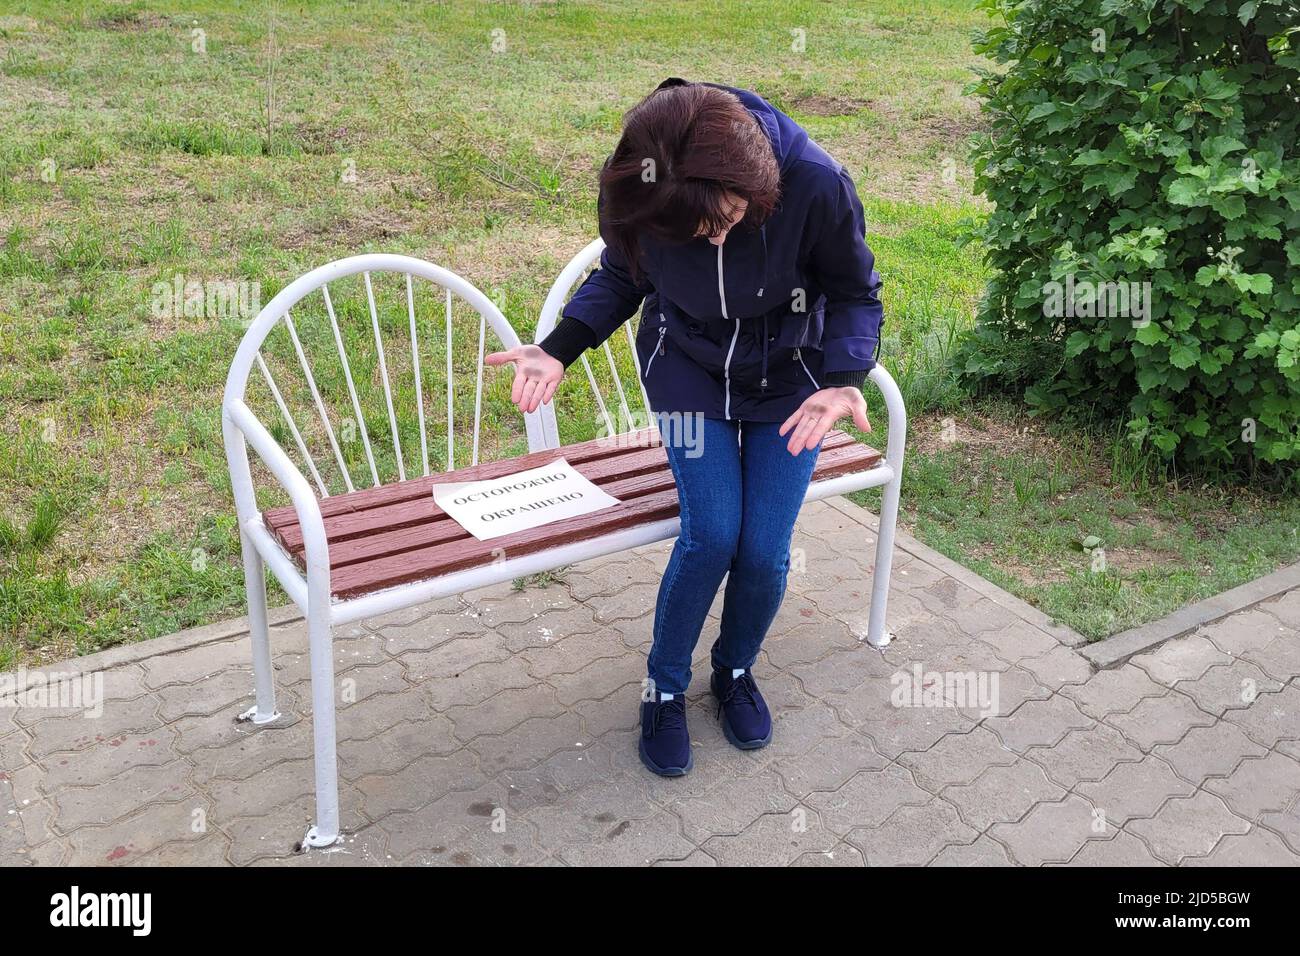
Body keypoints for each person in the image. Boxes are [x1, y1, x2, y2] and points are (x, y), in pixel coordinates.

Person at [486, 77, 883, 776]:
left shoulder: (816, 182)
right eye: (702, 232)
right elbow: (621, 275)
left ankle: (733, 671)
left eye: (730, 219)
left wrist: (843, 379)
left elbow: (854, 292)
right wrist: (558, 348)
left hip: (790, 380)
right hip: (687, 370)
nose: (718, 236)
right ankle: (663, 685)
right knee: (710, 537)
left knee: (762, 550)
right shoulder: (646, 187)